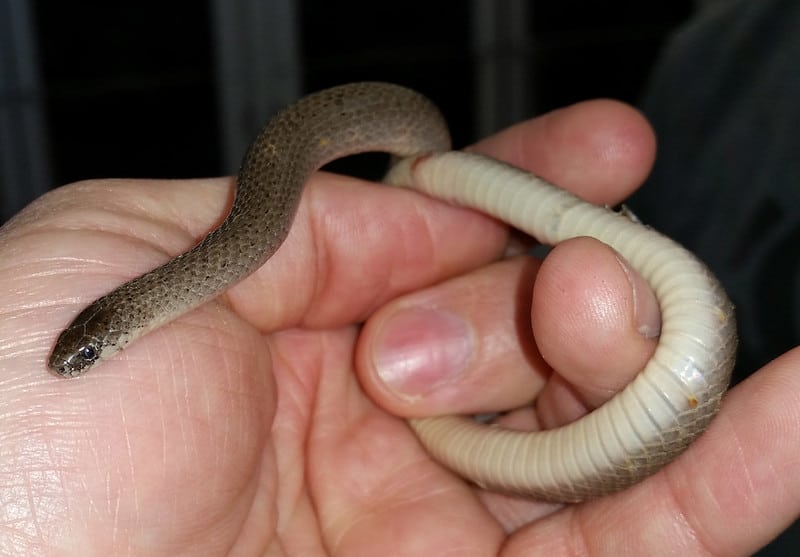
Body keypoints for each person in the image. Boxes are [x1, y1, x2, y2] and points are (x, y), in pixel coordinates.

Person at [0, 98, 796, 556]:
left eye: (90, 350)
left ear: (118, 323)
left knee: (559, 270)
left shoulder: (248, 237)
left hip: (416, 201)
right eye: (89, 353)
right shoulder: (184, 287)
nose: (80, 361)